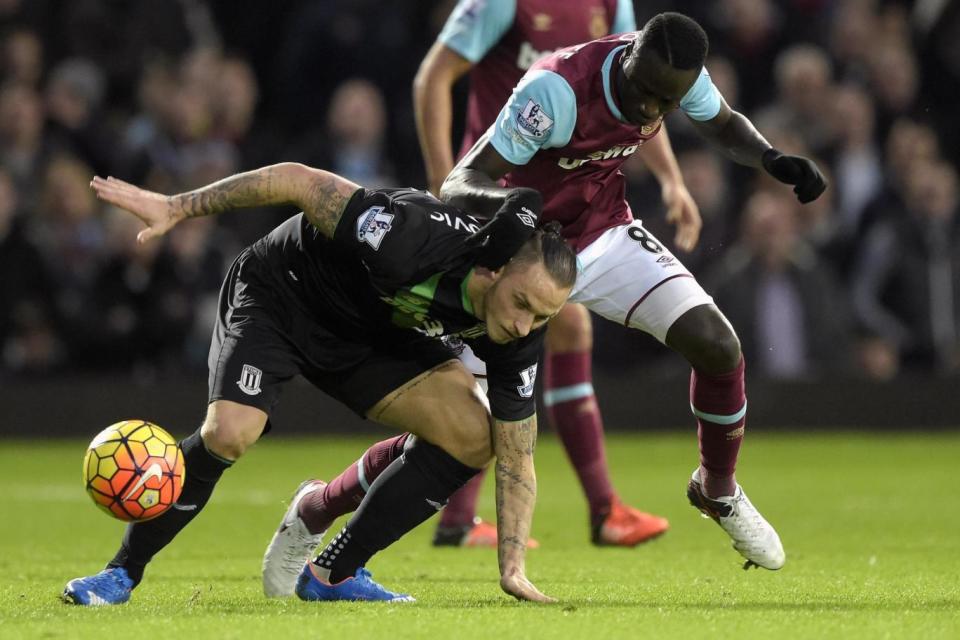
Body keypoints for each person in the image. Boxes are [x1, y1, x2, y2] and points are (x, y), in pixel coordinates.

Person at [300, 13, 824, 575]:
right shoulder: (556, 89)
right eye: (642, 92)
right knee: (456, 434)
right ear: (627, 59)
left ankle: (716, 488)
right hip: (519, 262)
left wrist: (770, 158)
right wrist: (516, 207)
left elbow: (721, 124)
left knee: (719, 345)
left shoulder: (676, 74)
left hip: (603, 236)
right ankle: (318, 506)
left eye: (663, 103)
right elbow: (461, 182)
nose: (650, 109)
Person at [62, 162, 576, 605]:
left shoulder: (516, 336)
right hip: (282, 296)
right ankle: (121, 573)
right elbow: (297, 181)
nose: (523, 325)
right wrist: (177, 206)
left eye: (542, 315)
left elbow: (517, 453)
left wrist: (512, 568)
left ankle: (335, 572)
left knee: (475, 437)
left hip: (372, 332)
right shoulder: (409, 237)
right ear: (494, 270)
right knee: (230, 434)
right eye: (523, 304)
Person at [412, 0, 692, 548]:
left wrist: (672, 181)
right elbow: (433, 77)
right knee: (495, 333)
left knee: (555, 327)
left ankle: (488, 517)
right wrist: (441, 184)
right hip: (497, 193)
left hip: (561, 198)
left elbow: (640, 97)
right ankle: (470, 515)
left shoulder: (611, 6)